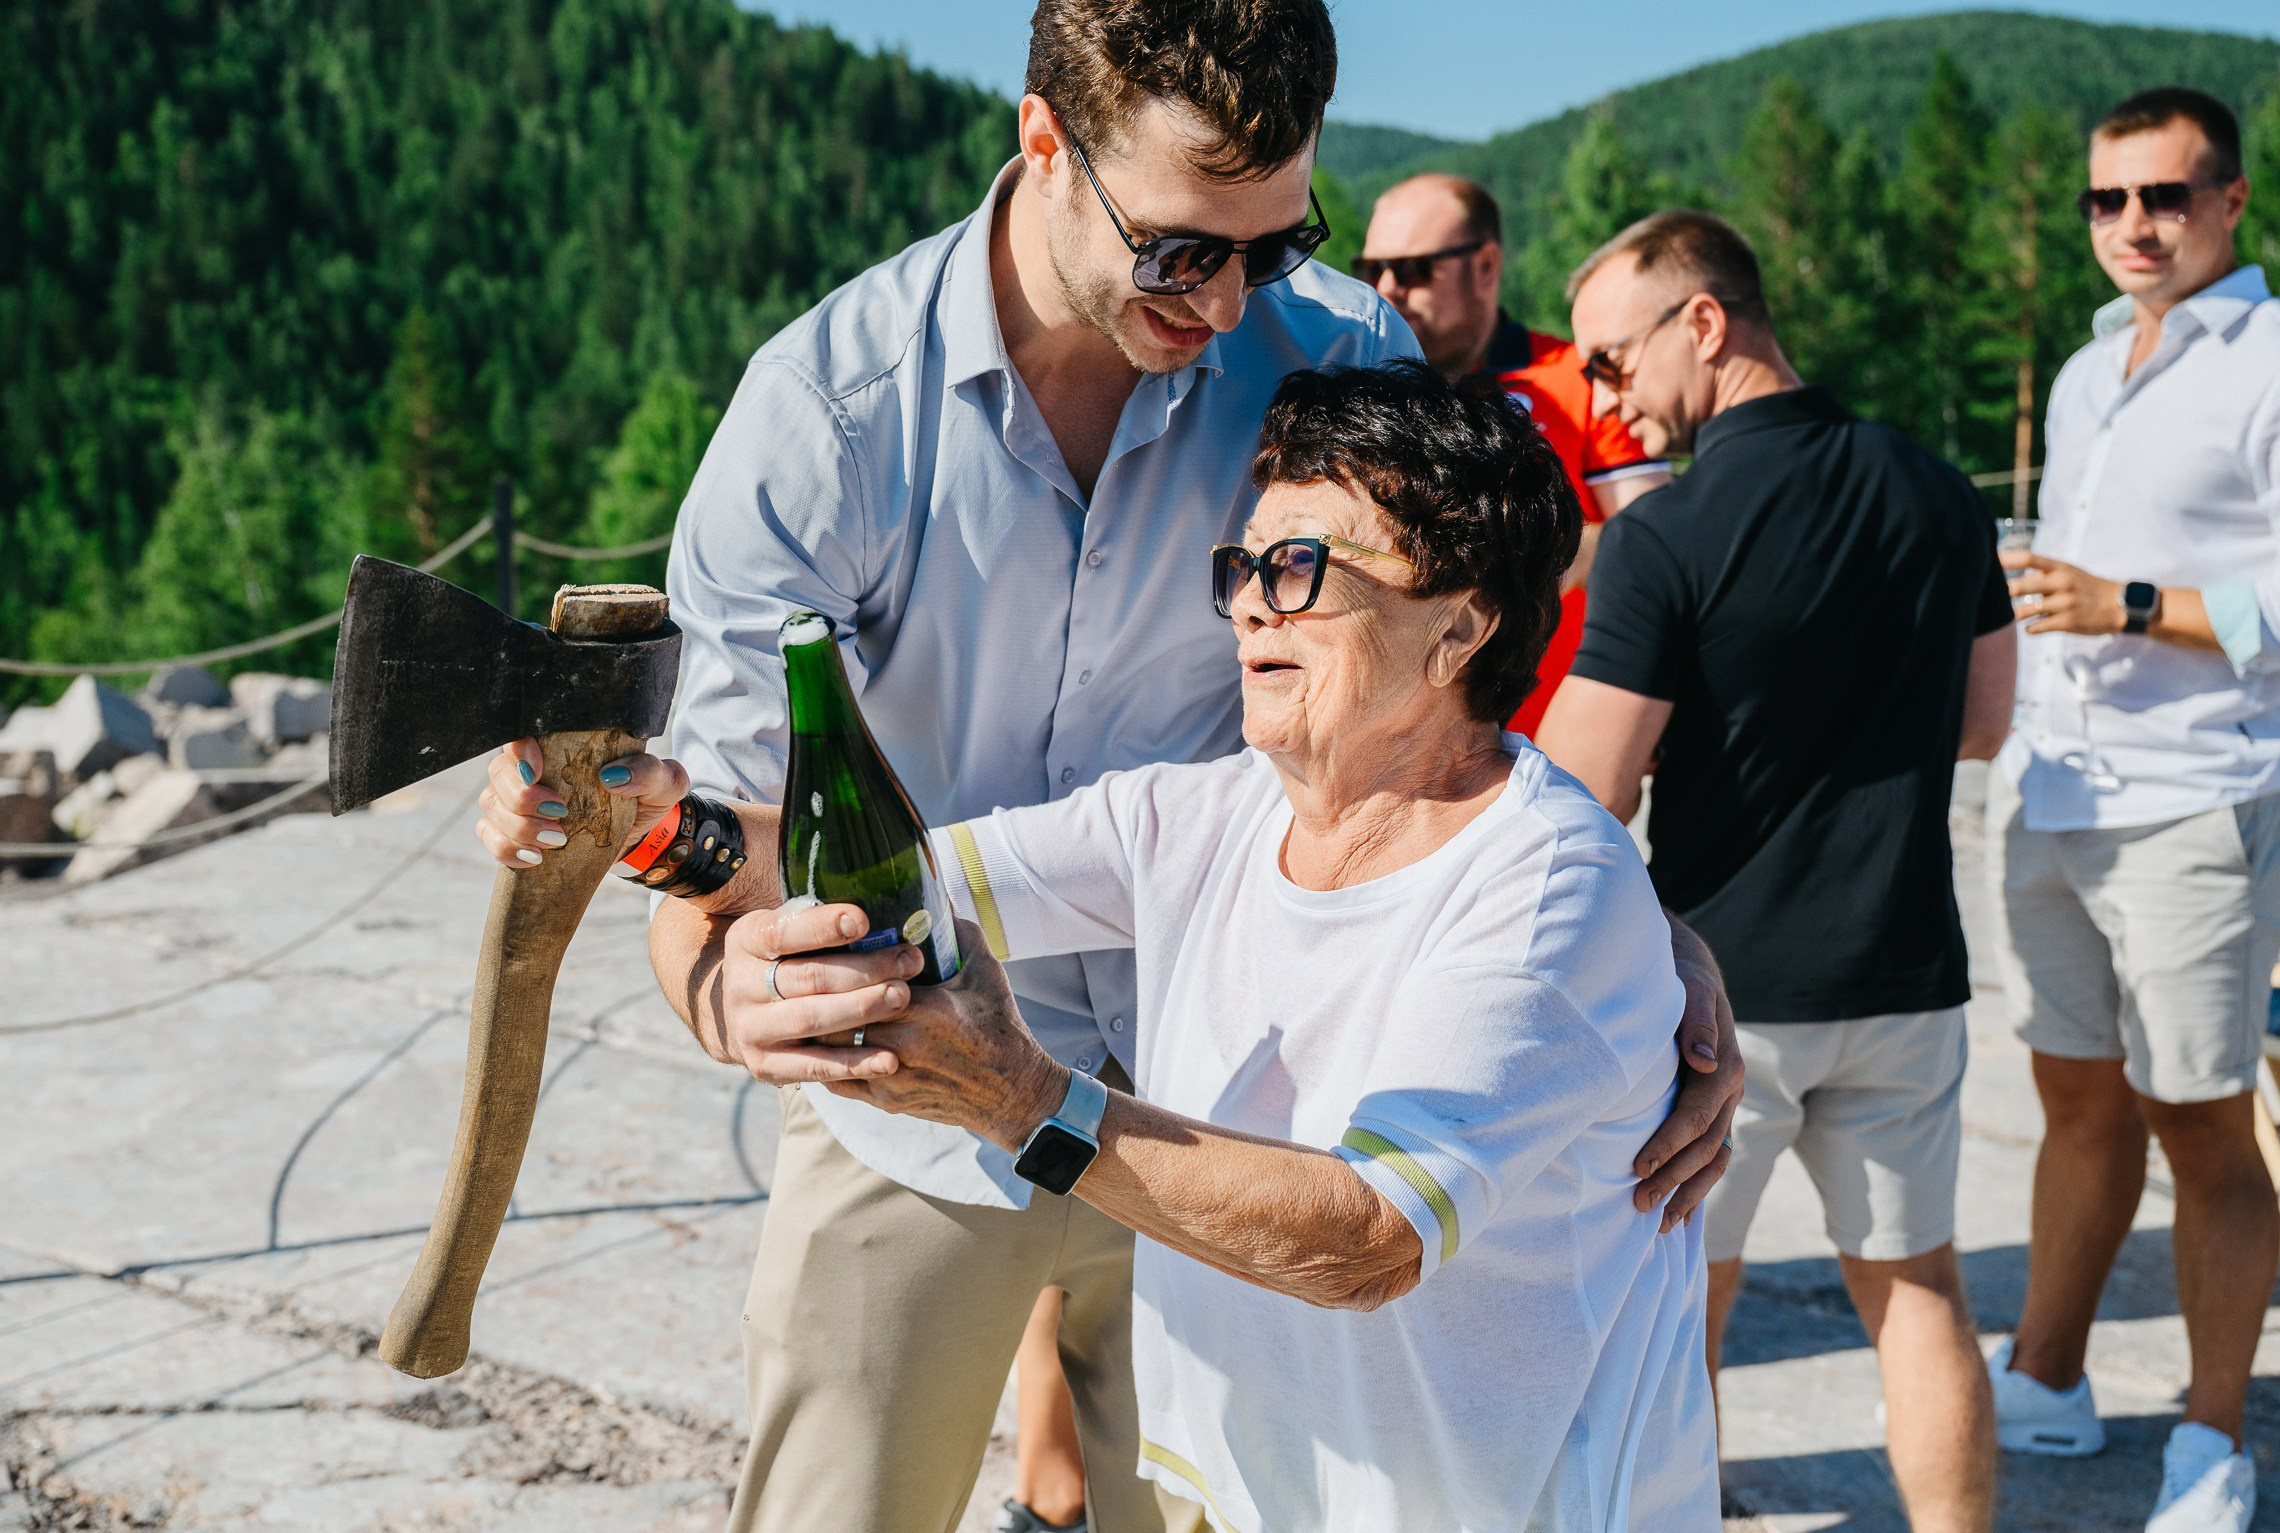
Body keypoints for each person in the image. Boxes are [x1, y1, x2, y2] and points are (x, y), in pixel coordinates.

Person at [471, 5, 1744, 1530]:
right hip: (920, 1100)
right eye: (1180, 251)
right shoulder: (823, 424)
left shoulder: (1336, 351)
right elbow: (741, 842)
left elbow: (1432, 689)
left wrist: (1622, 942)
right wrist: (712, 976)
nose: (1225, 301)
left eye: (1273, 245)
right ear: (1043, 145)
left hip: (1256, 1106)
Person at [684, 360, 1721, 1531]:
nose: (1249, 606)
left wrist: (1024, 1099)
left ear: (1457, 629)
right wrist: (652, 820)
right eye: (1243, 568)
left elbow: (1369, 1242)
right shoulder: (1216, 814)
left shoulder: (1542, 894)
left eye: (1301, 569)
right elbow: (900, 867)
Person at [1537, 209, 2015, 1533]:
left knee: (1679, 1309)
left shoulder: (1666, 537)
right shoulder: (1937, 489)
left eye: (1615, 361)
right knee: (1919, 1292)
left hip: (1716, 1005)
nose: (1606, 398)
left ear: (1706, 319)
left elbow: (1587, 787)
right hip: (1910, 973)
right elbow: (1985, 722)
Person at [1985, 86, 2280, 1533]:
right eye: (2109, 200)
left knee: (2203, 1120)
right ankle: (2046, 1379)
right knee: (2074, 1097)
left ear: (2232, 202)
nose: (2133, 226)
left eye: (2164, 198)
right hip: (2061, 786)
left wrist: (2130, 606)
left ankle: (2214, 1440)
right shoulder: (2084, 368)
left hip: (2200, 796)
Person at [1356, 172, 1669, 732]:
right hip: (1397, 748)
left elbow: (1660, 541)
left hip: (1558, 747)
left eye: (1413, 270)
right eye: (1369, 270)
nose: (1385, 289)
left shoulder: (1583, 381)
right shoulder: (1363, 394)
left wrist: (1545, 555)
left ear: (1485, 266)